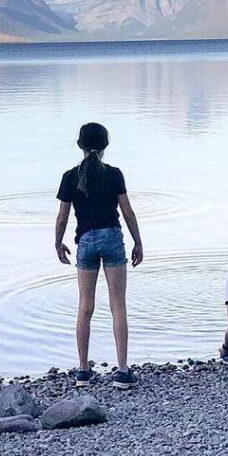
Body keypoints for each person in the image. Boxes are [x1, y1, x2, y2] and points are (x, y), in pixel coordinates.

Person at [54, 122, 144, 389]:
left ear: (80, 145)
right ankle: (123, 372)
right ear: (106, 145)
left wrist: (58, 243)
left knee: (85, 306)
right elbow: (127, 212)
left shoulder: (70, 176)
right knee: (118, 305)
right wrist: (138, 241)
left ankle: (83, 372)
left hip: (85, 241)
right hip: (112, 238)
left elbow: (62, 218)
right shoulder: (114, 174)